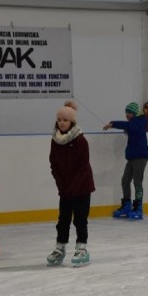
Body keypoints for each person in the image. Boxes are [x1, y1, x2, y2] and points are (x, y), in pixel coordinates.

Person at [47, 102, 95, 267]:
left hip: (81, 188)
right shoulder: (55, 141)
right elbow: (54, 165)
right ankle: (60, 247)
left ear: (72, 122)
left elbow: (83, 168)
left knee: (80, 219)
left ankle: (82, 248)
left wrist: (72, 189)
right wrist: (62, 186)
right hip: (66, 189)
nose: (61, 122)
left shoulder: (81, 141)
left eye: (65, 120)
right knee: (63, 220)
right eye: (59, 119)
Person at [103, 102, 148, 219]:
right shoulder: (135, 123)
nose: (126, 115)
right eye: (126, 112)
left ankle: (138, 208)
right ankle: (127, 205)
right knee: (125, 180)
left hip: (140, 157)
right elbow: (130, 127)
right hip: (132, 157)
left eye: (128, 112)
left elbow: (127, 125)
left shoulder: (138, 121)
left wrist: (112, 124)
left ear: (134, 113)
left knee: (137, 182)